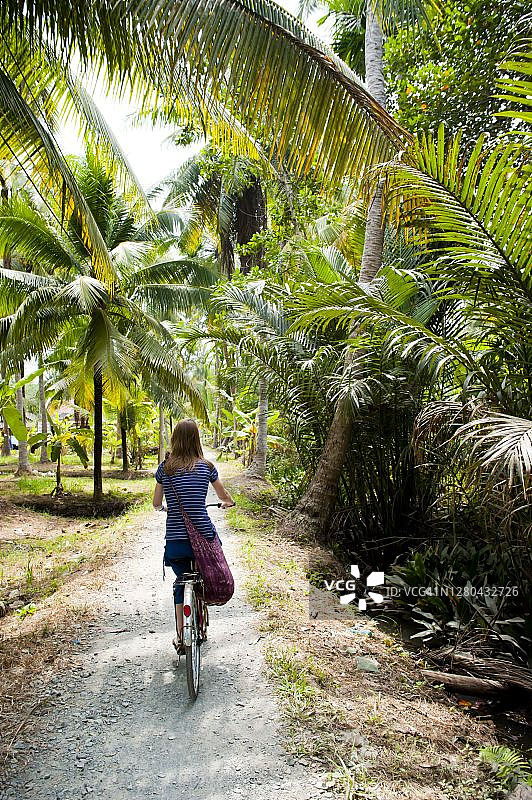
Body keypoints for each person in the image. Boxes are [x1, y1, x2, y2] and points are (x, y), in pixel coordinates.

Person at [153, 418, 234, 653]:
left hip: (176, 542)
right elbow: (224, 495)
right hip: (204, 537)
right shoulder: (206, 467)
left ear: (175, 440)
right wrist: (227, 502)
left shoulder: (164, 468)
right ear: (196, 439)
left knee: (181, 582)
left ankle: (181, 636)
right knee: (206, 569)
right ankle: (200, 610)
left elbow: (156, 503)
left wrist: (163, 509)